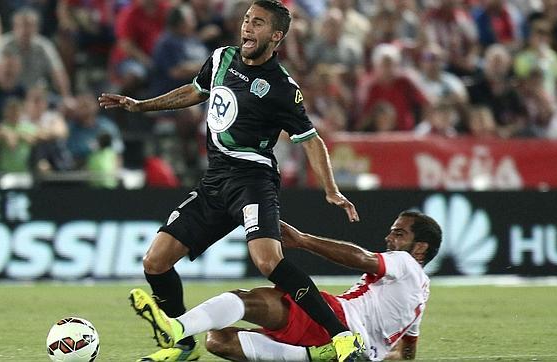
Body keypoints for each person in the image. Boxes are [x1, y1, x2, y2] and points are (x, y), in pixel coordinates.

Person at [98, 1, 362, 361]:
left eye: (259, 23)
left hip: (253, 181)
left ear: (277, 35)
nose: (248, 28)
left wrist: (331, 189)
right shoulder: (222, 58)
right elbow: (194, 91)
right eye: (247, 20)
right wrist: (140, 105)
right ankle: (183, 345)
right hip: (215, 179)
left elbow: (310, 139)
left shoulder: (282, 87)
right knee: (155, 261)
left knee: (269, 261)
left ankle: (342, 337)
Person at [132, 211, 442, 361]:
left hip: (340, 322)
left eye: (399, 234)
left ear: (420, 249)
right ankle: (314, 357)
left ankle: (176, 329)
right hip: (353, 350)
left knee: (249, 300)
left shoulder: (404, 264)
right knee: (218, 340)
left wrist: (304, 240)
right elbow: (406, 354)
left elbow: (361, 258)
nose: (390, 239)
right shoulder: (420, 300)